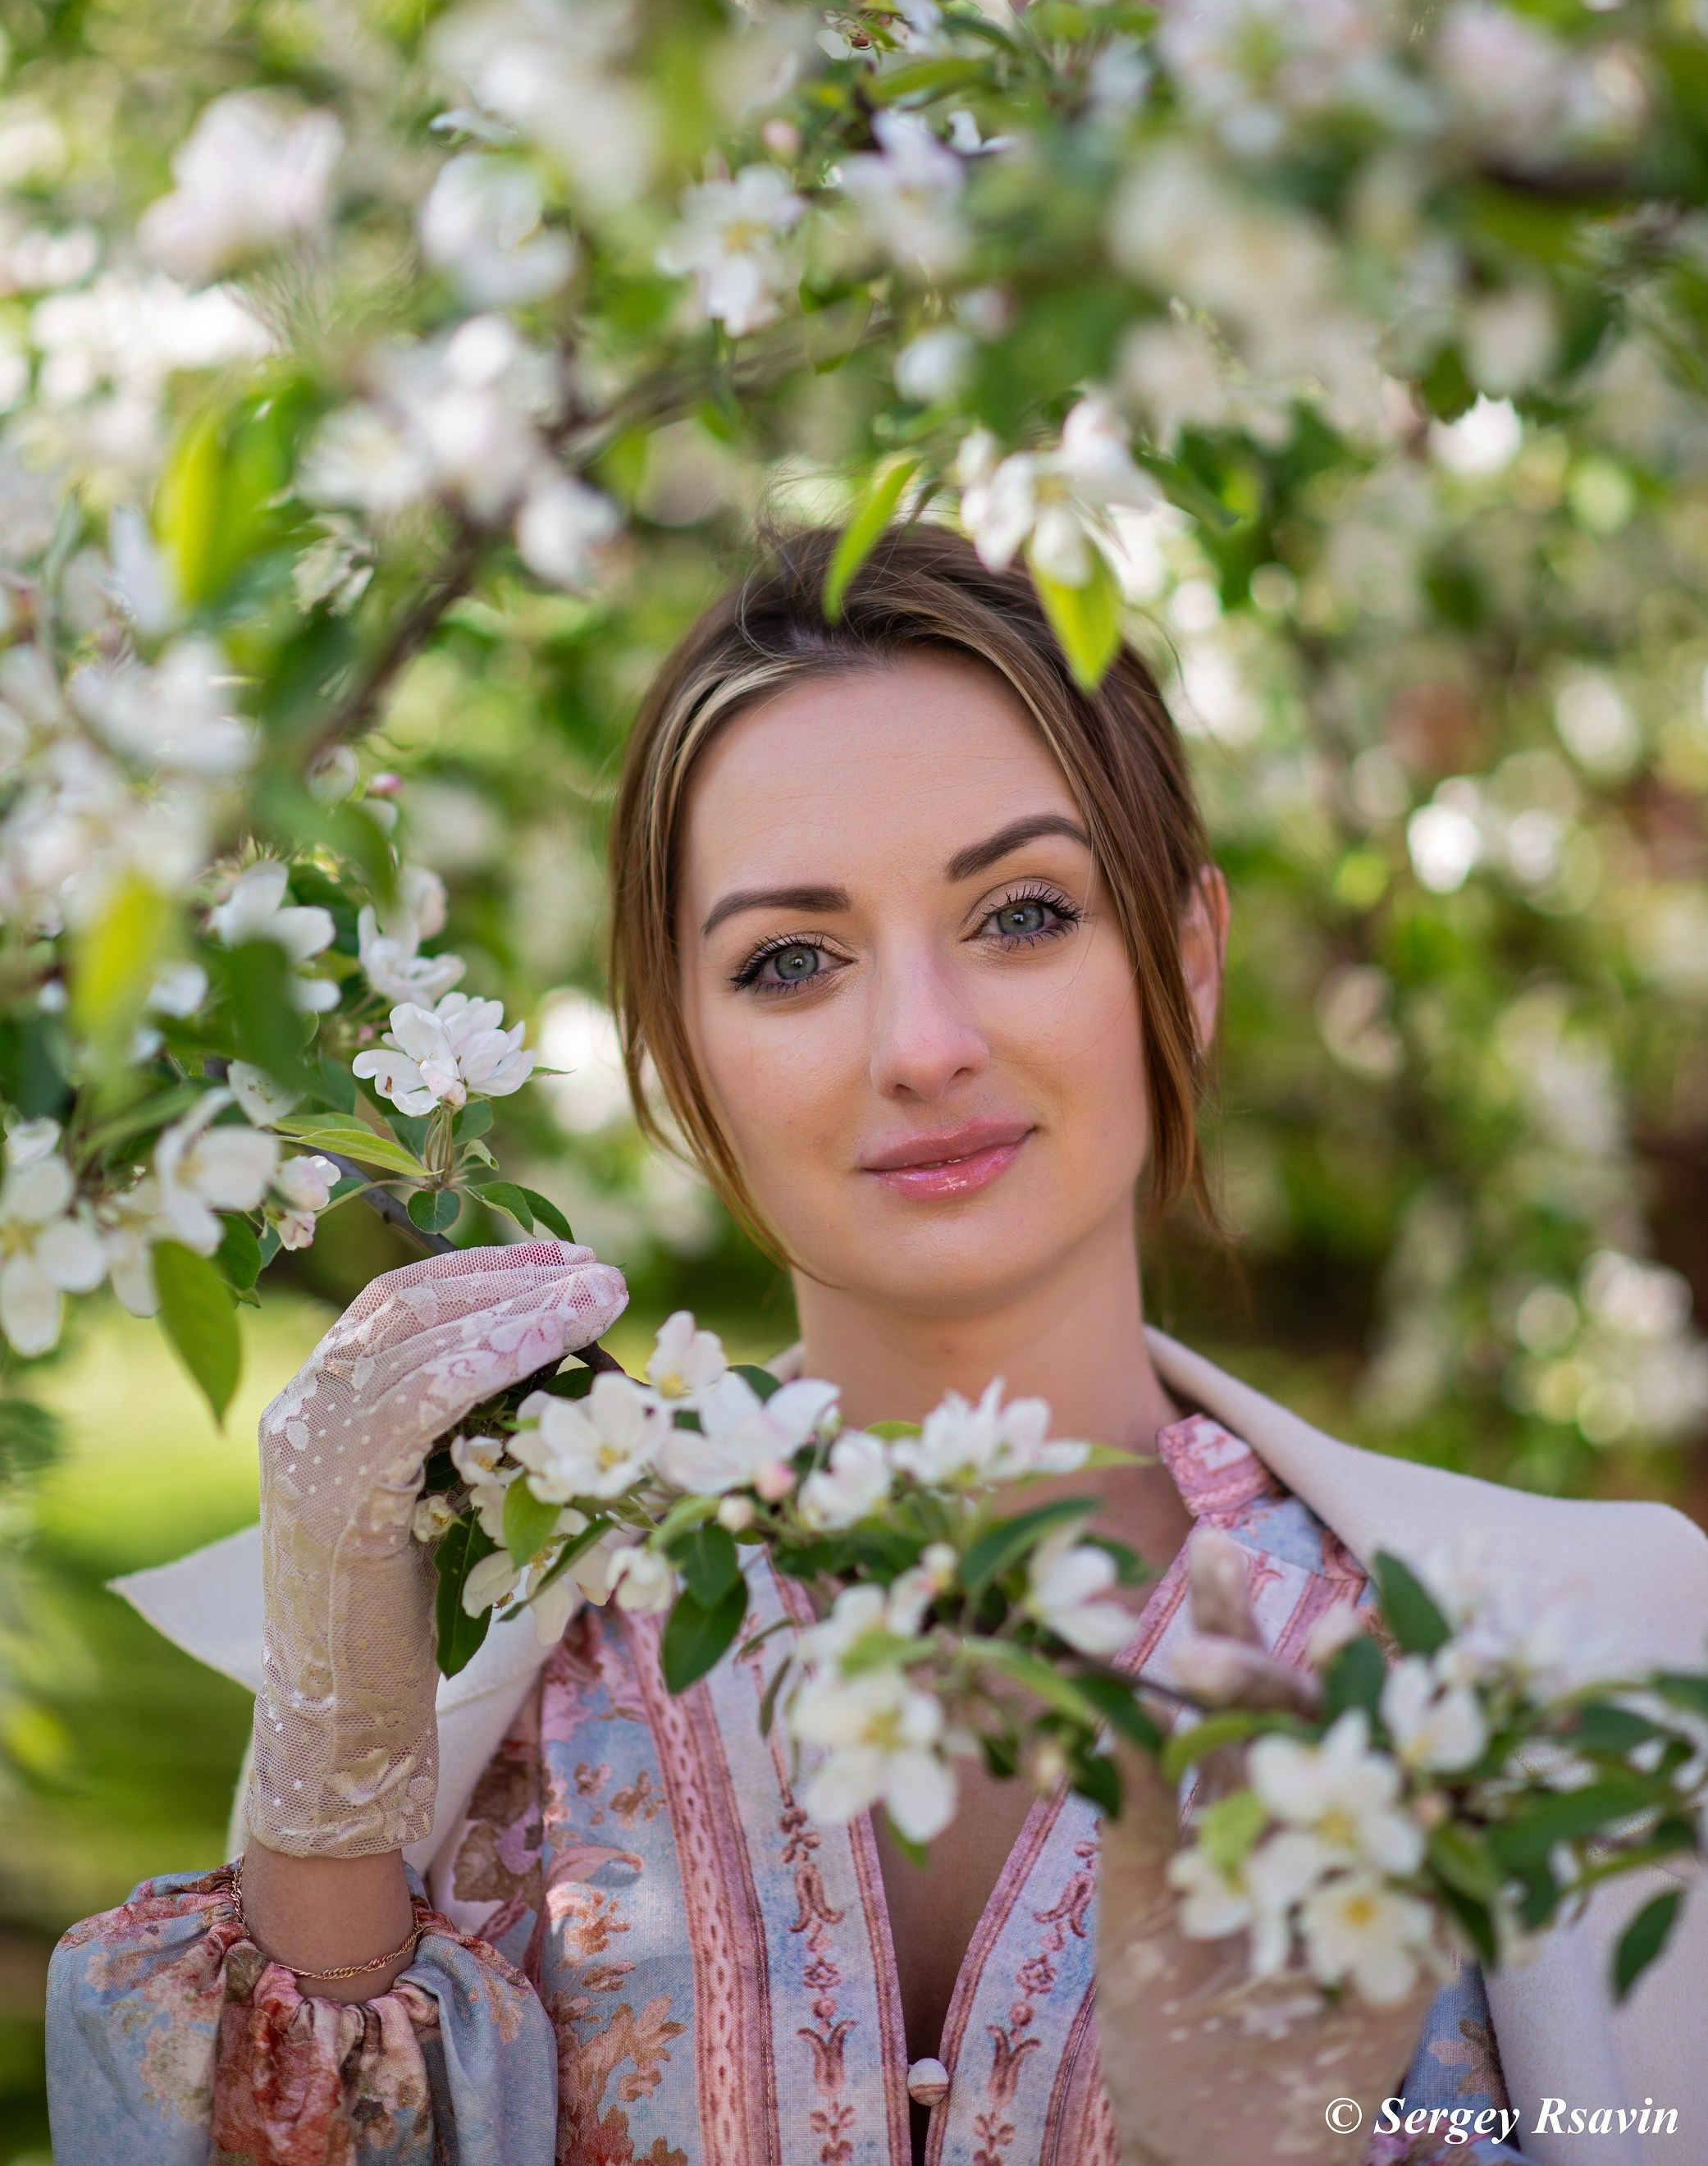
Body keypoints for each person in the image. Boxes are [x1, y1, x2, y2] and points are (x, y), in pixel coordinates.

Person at [46, 527, 1708, 2166]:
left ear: (1184, 964)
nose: (923, 1045)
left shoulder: (1575, 1671)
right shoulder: (533, 1666)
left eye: (1024, 912)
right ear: (676, 1051)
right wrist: (330, 1784)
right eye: (790, 960)